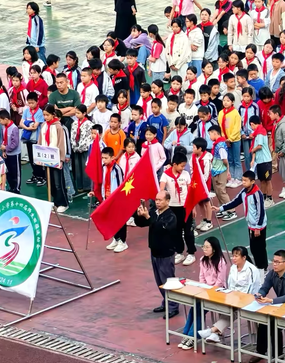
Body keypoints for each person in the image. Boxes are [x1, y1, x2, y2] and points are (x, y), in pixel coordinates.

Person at [249, 250, 285, 363]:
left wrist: (271, 300)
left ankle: (278, 356)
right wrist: (260, 294)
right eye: (274, 261)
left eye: (278, 262)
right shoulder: (272, 273)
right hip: (279, 307)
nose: (274, 264)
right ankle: (260, 351)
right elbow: (265, 287)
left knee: (273, 324)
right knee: (264, 321)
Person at [198, 246, 260, 343]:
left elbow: (251, 289)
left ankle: (212, 331)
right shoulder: (233, 268)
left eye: (236, 256)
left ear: (244, 257)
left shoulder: (252, 270)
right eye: (233, 256)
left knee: (232, 311)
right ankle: (215, 334)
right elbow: (230, 284)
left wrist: (240, 299)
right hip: (233, 297)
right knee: (224, 306)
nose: (233, 258)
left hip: (248, 300)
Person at [134, 191, 179, 319]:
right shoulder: (154, 212)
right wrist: (139, 216)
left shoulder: (171, 216)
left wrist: (148, 217)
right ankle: (166, 302)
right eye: (156, 200)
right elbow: (142, 224)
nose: (158, 202)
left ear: (167, 201)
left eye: (160, 200)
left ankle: (173, 306)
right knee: (160, 281)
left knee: (168, 281)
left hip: (166, 253)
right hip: (154, 252)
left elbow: (160, 227)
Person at [212, 170, 268, 273]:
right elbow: (235, 202)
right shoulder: (244, 191)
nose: (243, 183)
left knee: (260, 248)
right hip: (250, 225)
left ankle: (263, 269)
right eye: (242, 180)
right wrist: (220, 208)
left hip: (258, 226)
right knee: (253, 248)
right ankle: (257, 267)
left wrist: (258, 227)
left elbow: (261, 211)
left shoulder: (257, 194)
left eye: (245, 181)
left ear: (252, 182)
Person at [180, 237, 227, 350]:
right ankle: (187, 334)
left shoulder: (221, 262)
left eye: (207, 247)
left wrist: (208, 292)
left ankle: (192, 336)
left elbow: (219, 282)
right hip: (205, 292)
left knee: (198, 309)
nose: (204, 249)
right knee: (194, 308)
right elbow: (202, 278)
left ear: (214, 249)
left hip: (218, 293)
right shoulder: (202, 260)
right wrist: (202, 289)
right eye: (203, 246)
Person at [90, 147, 128, 253]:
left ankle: (123, 241)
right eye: (102, 158)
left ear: (112, 157)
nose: (104, 160)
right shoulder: (103, 168)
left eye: (106, 158)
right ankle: (115, 239)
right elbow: (100, 182)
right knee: (111, 219)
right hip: (106, 198)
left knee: (119, 220)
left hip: (116, 199)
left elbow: (121, 185)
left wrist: (120, 199)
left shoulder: (117, 169)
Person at [38, 104, 69, 212]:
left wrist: (61, 159)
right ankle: (54, 201)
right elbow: (40, 141)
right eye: (44, 115)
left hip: (55, 158)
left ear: (53, 115)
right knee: (49, 181)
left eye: (47, 115)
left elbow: (61, 143)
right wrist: (39, 155)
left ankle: (63, 203)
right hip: (46, 158)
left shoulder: (58, 127)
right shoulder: (43, 126)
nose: (45, 117)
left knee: (58, 182)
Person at [208, 124, 235, 221]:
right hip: (215, 170)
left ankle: (231, 211)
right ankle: (222, 208)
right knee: (217, 190)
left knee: (222, 191)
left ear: (215, 133)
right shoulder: (216, 144)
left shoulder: (220, 145)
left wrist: (227, 171)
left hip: (221, 170)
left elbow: (225, 160)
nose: (209, 137)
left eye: (210, 134)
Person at [22, 92, 46, 186]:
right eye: (29, 102)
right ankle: (35, 175)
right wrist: (28, 126)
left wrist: (26, 125)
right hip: (28, 138)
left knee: (37, 158)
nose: (30, 104)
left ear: (37, 102)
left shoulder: (40, 112)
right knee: (31, 158)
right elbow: (21, 122)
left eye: (32, 102)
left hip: (36, 139)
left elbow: (35, 126)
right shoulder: (26, 111)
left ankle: (42, 176)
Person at [218, 93, 242, 187]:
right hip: (225, 139)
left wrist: (230, 138)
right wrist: (224, 138)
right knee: (230, 159)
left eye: (228, 101)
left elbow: (237, 128)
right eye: (224, 100)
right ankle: (231, 177)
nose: (226, 102)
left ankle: (238, 178)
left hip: (234, 139)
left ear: (232, 102)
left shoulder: (235, 113)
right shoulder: (221, 113)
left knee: (236, 159)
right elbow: (220, 126)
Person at [0, 110, 21, 194]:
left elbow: (15, 143)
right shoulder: (4, 127)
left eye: (0, 120)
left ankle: (17, 188)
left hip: (14, 154)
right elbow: (3, 139)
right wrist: (4, 150)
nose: (0, 122)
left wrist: (6, 148)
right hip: (7, 153)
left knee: (16, 172)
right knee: (9, 172)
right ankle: (11, 187)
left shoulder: (14, 128)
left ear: (6, 119)